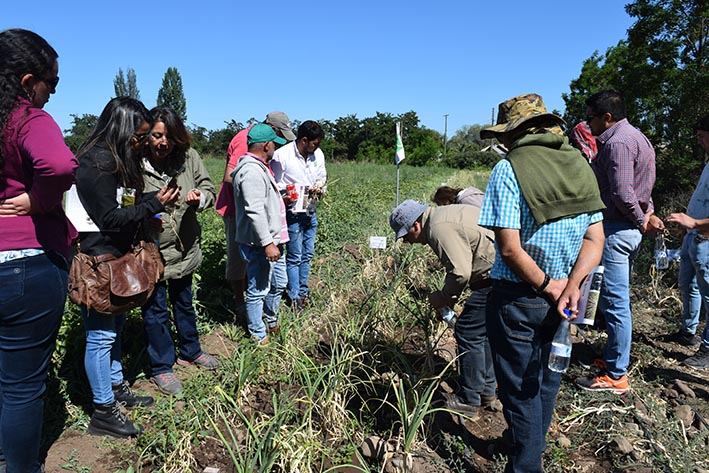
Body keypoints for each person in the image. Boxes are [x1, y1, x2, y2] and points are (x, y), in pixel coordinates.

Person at [478, 93, 605, 472]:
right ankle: (528, 444)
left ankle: (526, 464)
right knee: (546, 380)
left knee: (518, 390)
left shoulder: (510, 169)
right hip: (566, 298)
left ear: (514, 133)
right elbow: (595, 239)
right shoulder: (580, 165)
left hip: (519, 297)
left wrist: (549, 284)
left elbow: (511, 250)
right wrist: (571, 285)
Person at [75, 97, 180, 438]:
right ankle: (103, 410)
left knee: (115, 327)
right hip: (99, 259)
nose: (142, 143)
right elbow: (109, 218)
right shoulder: (96, 164)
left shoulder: (116, 159)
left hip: (116, 257)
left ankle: (116, 386)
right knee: (101, 335)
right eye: (138, 136)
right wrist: (153, 203)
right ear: (121, 130)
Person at [0, 28, 77, 473]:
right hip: (25, 263)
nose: (52, 93)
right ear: (29, 81)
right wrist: (39, 199)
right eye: (52, 83)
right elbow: (60, 164)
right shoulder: (27, 118)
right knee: (23, 387)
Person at [575, 90, 664, 394]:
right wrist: (647, 214)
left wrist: (641, 220)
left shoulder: (617, 143)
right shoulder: (637, 137)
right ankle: (614, 358)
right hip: (627, 229)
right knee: (617, 300)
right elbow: (644, 188)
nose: (588, 124)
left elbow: (624, 194)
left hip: (617, 230)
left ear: (607, 117)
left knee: (615, 304)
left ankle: (616, 375)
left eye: (591, 118)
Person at [389, 200, 497, 419]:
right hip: (498, 275)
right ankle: (486, 390)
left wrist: (444, 297)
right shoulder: (444, 215)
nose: (408, 242)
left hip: (493, 278)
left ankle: (469, 399)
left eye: (406, 236)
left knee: (468, 332)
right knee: (483, 333)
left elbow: (460, 273)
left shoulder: (438, 228)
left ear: (416, 225)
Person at [141, 106, 218, 395]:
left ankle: (190, 350)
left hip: (184, 249)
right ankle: (161, 367)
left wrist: (201, 198)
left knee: (184, 301)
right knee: (156, 310)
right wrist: (146, 209)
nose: (163, 142)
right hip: (152, 253)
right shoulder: (137, 163)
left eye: (169, 136)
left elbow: (208, 187)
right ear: (147, 135)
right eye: (157, 135)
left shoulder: (189, 159)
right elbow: (125, 203)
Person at [214, 112, 295, 320]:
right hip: (238, 210)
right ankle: (242, 306)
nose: (280, 144)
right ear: (268, 137)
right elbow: (231, 177)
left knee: (254, 262)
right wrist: (257, 195)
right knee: (240, 260)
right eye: (278, 137)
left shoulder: (258, 144)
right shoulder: (245, 142)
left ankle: (256, 308)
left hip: (255, 210)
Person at [233, 124, 289, 343]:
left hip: (272, 239)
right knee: (258, 289)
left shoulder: (260, 167)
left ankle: (271, 319)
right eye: (274, 143)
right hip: (259, 243)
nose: (275, 147)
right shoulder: (251, 171)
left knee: (278, 283)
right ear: (266, 145)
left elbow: (262, 202)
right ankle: (258, 334)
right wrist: (267, 243)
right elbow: (254, 210)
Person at [666, 115, 709, 367]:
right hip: (693, 236)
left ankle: (707, 348)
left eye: (703, 134)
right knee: (688, 285)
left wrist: (694, 223)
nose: (699, 140)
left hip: (705, 238)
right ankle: (688, 332)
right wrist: (688, 225)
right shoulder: (707, 163)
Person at [271, 120, 327, 310]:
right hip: (292, 213)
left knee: (308, 254)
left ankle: (303, 292)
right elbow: (275, 185)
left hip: (310, 210)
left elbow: (322, 177)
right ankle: (295, 296)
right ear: (304, 140)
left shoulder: (317, 155)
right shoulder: (282, 155)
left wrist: (319, 189)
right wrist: (292, 192)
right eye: (314, 143)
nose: (316, 147)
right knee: (294, 256)